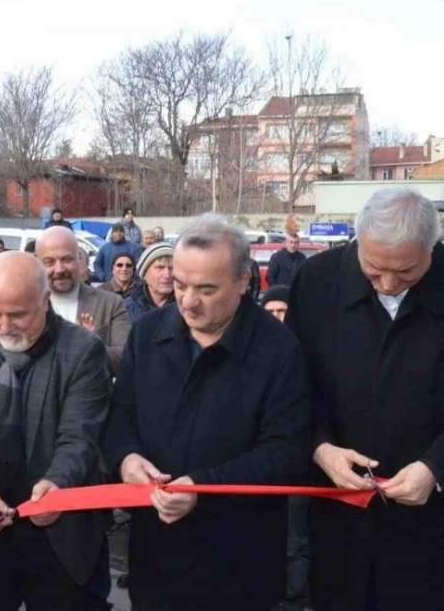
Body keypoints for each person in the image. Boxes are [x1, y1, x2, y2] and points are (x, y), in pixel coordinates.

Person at [288, 188, 444, 611]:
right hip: (339, 520)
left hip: (436, 527)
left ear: (431, 248)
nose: (388, 284)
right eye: (375, 269)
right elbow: (292, 387)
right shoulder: (316, 281)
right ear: (359, 242)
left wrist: (438, 467)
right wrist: (319, 447)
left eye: (406, 271)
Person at [103, 213, 311, 611]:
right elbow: (119, 416)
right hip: (157, 557)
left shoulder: (279, 350)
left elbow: (286, 452)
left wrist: (201, 487)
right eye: (180, 285)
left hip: (239, 562)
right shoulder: (147, 334)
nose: (188, 300)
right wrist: (125, 458)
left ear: (243, 280)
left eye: (206, 289)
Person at [0, 252, 113, 611]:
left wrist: (57, 486)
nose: (3, 327)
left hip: (58, 531)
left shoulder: (82, 350)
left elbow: (79, 436)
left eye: (17, 315)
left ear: (46, 302)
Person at [258, 282, 308, 611]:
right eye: (271, 311)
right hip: (258, 466)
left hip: (297, 465)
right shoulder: (253, 351)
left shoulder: (304, 350)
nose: (277, 317)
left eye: (283, 310)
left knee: (296, 539)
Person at [35, 226, 130, 372]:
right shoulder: (28, 305)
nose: (59, 269)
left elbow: (126, 354)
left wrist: (90, 347)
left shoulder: (110, 304)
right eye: (50, 262)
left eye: (67, 259)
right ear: (38, 263)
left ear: (79, 258)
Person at [123, 242, 175, 323]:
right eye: (160, 268)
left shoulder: (187, 308)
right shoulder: (127, 309)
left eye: (172, 268)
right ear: (144, 274)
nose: (167, 275)